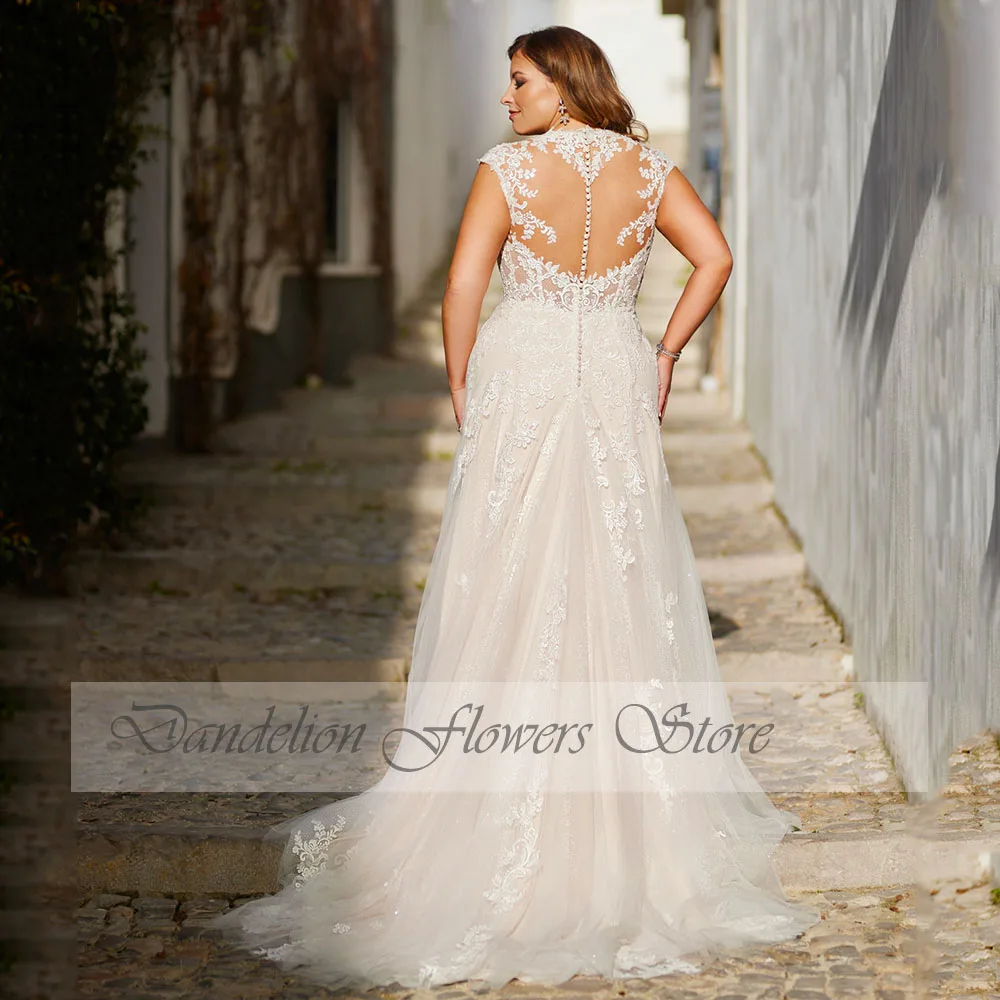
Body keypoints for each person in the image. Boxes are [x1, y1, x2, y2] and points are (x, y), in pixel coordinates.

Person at [214, 25, 821, 990]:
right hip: (614, 368)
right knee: (614, 572)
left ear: (564, 87)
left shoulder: (507, 170)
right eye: (506, 81)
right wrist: (665, 351)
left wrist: (460, 380)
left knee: (503, 571)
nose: (507, 97)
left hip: (524, 372)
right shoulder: (648, 171)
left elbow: (464, 282)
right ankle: (621, 812)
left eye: (520, 80)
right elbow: (715, 258)